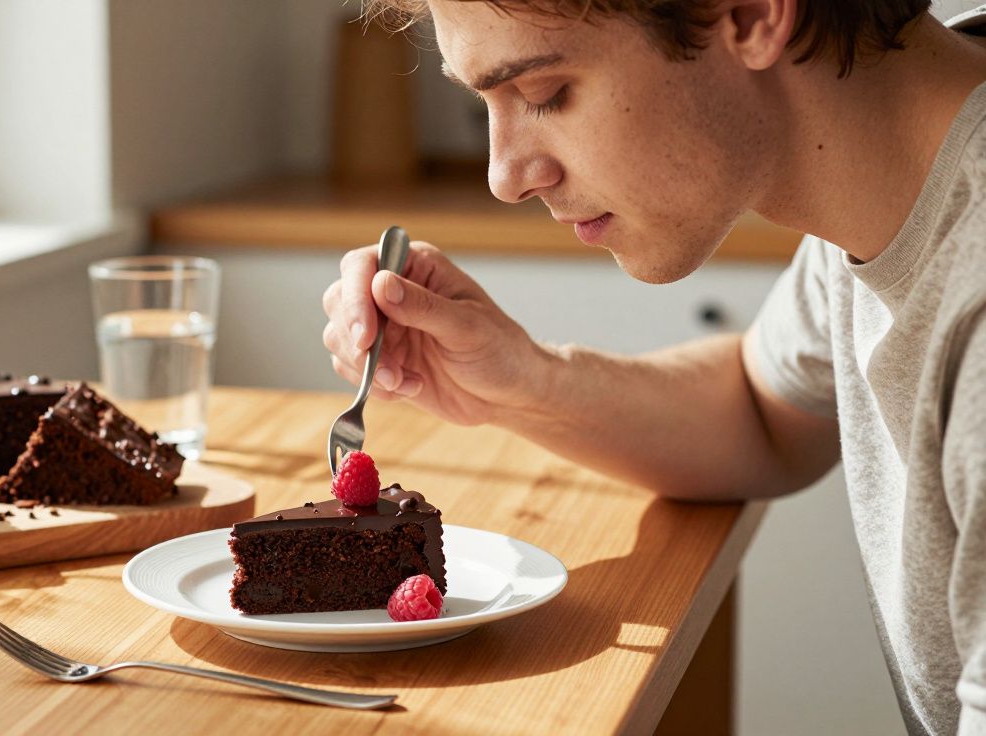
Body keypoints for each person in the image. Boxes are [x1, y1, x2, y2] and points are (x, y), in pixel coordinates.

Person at [320, 1, 986, 733]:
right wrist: (517, 380)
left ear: (752, 15)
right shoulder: (891, 169)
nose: (504, 178)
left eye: (546, 93)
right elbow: (760, 412)